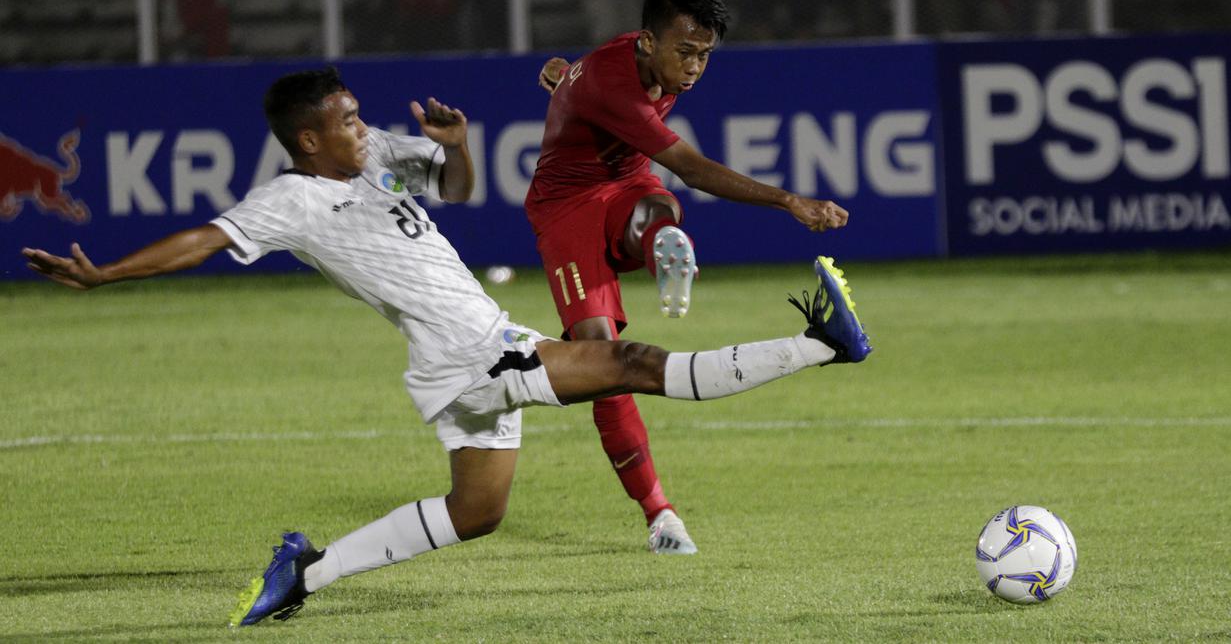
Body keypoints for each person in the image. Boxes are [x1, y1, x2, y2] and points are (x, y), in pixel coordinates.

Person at [21, 67, 871, 627]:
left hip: (455, 355)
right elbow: (204, 239)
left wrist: (456, 149)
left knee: (478, 513)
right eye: (348, 122)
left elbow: (455, 191)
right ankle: (821, 344)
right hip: (473, 350)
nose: (365, 129)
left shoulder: (377, 160)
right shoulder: (290, 201)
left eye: (359, 115)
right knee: (630, 364)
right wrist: (107, 277)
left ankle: (303, 575)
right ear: (310, 140)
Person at [530, 0, 852, 554]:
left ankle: (660, 247)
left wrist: (563, 81)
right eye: (686, 52)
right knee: (602, 364)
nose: (696, 66)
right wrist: (788, 201)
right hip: (566, 210)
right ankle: (659, 513)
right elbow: (696, 170)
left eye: (705, 54)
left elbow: (587, 75)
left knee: (657, 206)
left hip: (625, 182)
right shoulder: (616, 82)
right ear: (650, 43)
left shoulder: (643, 50)